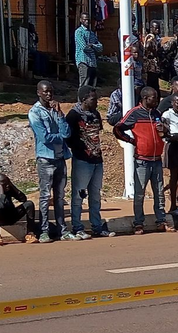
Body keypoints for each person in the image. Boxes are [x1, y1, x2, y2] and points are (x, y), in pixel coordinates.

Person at [114, 86, 170, 234]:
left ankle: (161, 221)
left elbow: (165, 133)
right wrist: (131, 141)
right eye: (153, 98)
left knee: (159, 193)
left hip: (157, 159)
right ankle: (138, 223)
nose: (156, 100)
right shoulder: (134, 113)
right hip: (142, 161)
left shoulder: (157, 113)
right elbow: (118, 128)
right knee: (139, 194)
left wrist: (163, 129)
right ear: (145, 98)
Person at [27, 80, 71, 242]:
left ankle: (62, 229)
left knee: (59, 197)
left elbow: (67, 131)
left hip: (60, 158)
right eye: (45, 91)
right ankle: (44, 230)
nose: (49, 94)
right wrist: (62, 137)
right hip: (46, 159)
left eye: (51, 91)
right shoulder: (34, 112)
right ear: (38, 92)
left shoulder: (55, 110)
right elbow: (44, 137)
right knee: (45, 196)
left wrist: (60, 114)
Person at [67, 86, 109, 239]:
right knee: (79, 195)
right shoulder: (73, 115)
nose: (96, 102)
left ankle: (97, 226)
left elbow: (97, 135)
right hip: (82, 161)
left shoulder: (96, 114)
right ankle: (77, 227)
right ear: (83, 99)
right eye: (93, 99)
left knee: (95, 195)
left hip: (97, 160)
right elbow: (68, 139)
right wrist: (83, 150)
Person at [0, 173, 36, 246]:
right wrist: (2, 191)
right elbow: (0, 205)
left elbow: (23, 199)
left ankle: (30, 234)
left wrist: (12, 186)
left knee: (29, 204)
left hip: (12, 216)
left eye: (7, 182)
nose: (7, 185)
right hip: (0, 220)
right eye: (4, 184)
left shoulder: (8, 187)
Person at [74, 12, 103, 88]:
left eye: (88, 19)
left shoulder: (92, 33)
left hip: (92, 62)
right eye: (85, 19)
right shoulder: (79, 32)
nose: (87, 21)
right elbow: (84, 47)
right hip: (83, 61)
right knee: (84, 85)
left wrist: (92, 45)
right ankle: (81, 100)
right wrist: (93, 47)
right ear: (81, 20)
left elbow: (100, 47)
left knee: (92, 86)